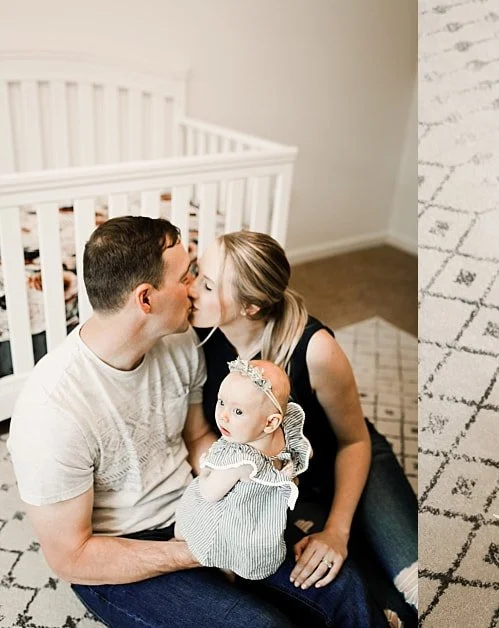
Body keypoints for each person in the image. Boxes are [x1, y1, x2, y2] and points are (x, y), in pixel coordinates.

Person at [6, 216, 376, 627]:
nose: (194, 290)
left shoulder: (181, 342)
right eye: (186, 277)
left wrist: (244, 486)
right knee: (260, 624)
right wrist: (204, 549)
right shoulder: (50, 412)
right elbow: (70, 556)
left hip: (199, 507)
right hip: (119, 550)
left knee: (345, 589)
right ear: (145, 299)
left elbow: (200, 436)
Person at [190, 230, 419, 626]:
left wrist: (337, 531)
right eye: (197, 274)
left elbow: (354, 440)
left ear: (252, 306)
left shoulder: (316, 348)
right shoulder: (198, 337)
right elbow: (200, 437)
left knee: (419, 581)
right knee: (368, 602)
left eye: (207, 285)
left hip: (350, 461)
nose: (191, 290)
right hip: (286, 484)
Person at [175, 358, 312, 581]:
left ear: (270, 422)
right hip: (260, 514)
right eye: (221, 402)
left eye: (238, 411)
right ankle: (235, 564)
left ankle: (214, 560)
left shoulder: (239, 460)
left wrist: (205, 470)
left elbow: (210, 493)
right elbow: (307, 452)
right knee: (247, 542)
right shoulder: (283, 431)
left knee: (191, 515)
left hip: (230, 520)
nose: (223, 416)